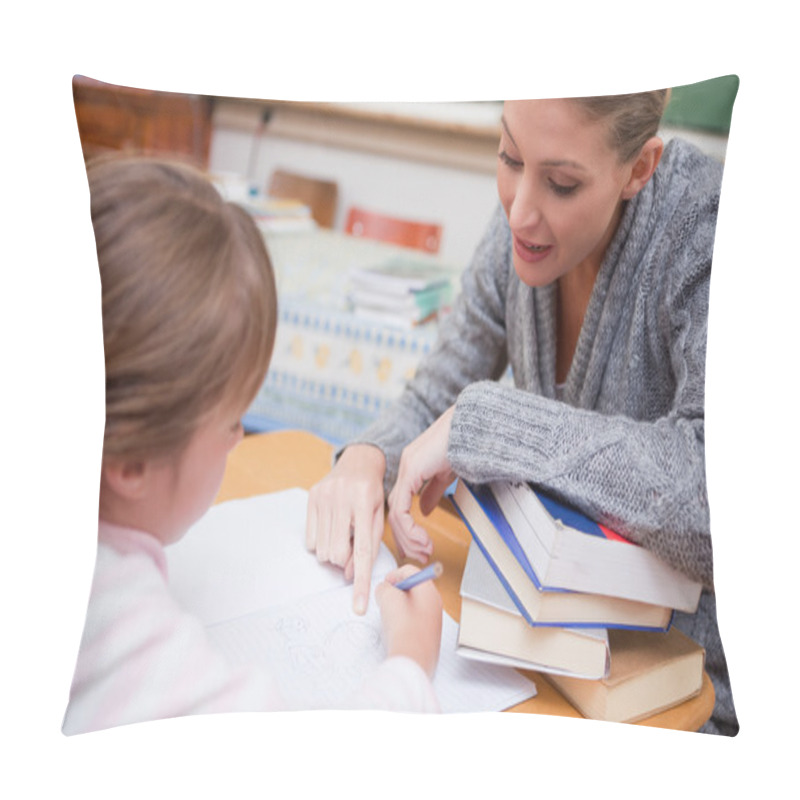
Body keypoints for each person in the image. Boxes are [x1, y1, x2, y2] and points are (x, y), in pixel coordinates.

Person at [306, 93, 738, 736]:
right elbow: (435, 399)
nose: (520, 208)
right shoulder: (522, 223)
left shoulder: (706, 228)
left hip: (678, 699)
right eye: (509, 156)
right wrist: (369, 456)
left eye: (562, 184)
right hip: (539, 658)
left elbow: (722, 498)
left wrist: (495, 425)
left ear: (639, 169)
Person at [62, 156, 443, 736]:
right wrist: (411, 666)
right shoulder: (117, 629)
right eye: (232, 420)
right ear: (130, 463)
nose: (241, 438)